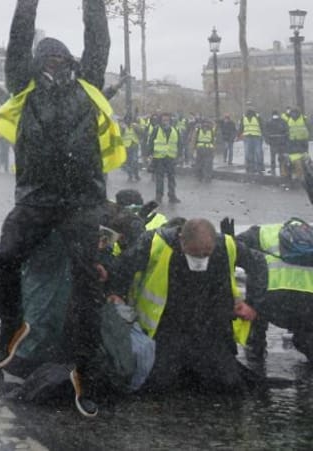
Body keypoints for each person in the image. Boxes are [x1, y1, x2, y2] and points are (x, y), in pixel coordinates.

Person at [0, 0, 121, 418]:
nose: (56, 63)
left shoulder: (90, 85)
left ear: (73, 63)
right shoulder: (24, 89)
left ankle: (86, 371)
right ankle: (11, 328)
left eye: (62, 58)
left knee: (87, 288)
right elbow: (15, 47)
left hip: (82, 201)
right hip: (38, 198)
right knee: (5, 258)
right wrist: (28, 3)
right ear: (38, 63)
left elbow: (99, 41)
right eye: (49, 58)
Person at [107, 218, 257, 393]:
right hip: (166, 326)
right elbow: (121, 268)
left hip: (208, 326)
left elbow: (258, 263)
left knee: (227, 384)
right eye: (194, 253)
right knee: (157, 385)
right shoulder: (154, 243)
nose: (200, 259)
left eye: (206, 254)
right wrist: (116, 294)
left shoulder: (226, 245)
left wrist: (253, 304)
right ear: (181, 241)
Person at [236, 219, 313, 362]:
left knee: (256, 283)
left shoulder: (264, 232)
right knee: (306, 335)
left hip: (269, 301)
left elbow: (234, 248)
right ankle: (305, 342)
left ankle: (255, 348)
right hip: (308, 306)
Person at [148, 113, 181, 204]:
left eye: (167, 120)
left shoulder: (175, 130)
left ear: (170, 121)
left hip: (171, 157)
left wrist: (180, 155)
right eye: (164, 120)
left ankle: (172, 196)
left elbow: (179, 143)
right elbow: (151, 142)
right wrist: (149, 154)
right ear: (160, 121)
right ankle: (159, 196)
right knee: (159, 178)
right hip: (159, 158)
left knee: (172, 178)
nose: (165, 122)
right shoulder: (156, 129)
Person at [241, 105, 265, 174]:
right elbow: (262, 126)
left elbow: (241, 127)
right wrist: (264, 135)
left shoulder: (245, 117)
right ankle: (257, 167)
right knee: (256, 152)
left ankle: (251, 167)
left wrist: (237, 135)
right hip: (254, 136)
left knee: (250, 153)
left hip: (251, 137)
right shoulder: (257, 117)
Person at [193, 118, 216, 183]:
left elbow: (194, 139)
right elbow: (194, 139)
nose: (206, 124)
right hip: (204, 149)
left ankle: (204, 177)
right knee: (203, 164)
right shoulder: (199, 130)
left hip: (205, 149)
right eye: (205, 123)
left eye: (207, 123)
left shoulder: (210, 130)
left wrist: (193, 149)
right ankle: (204, 177)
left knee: (204, 164)